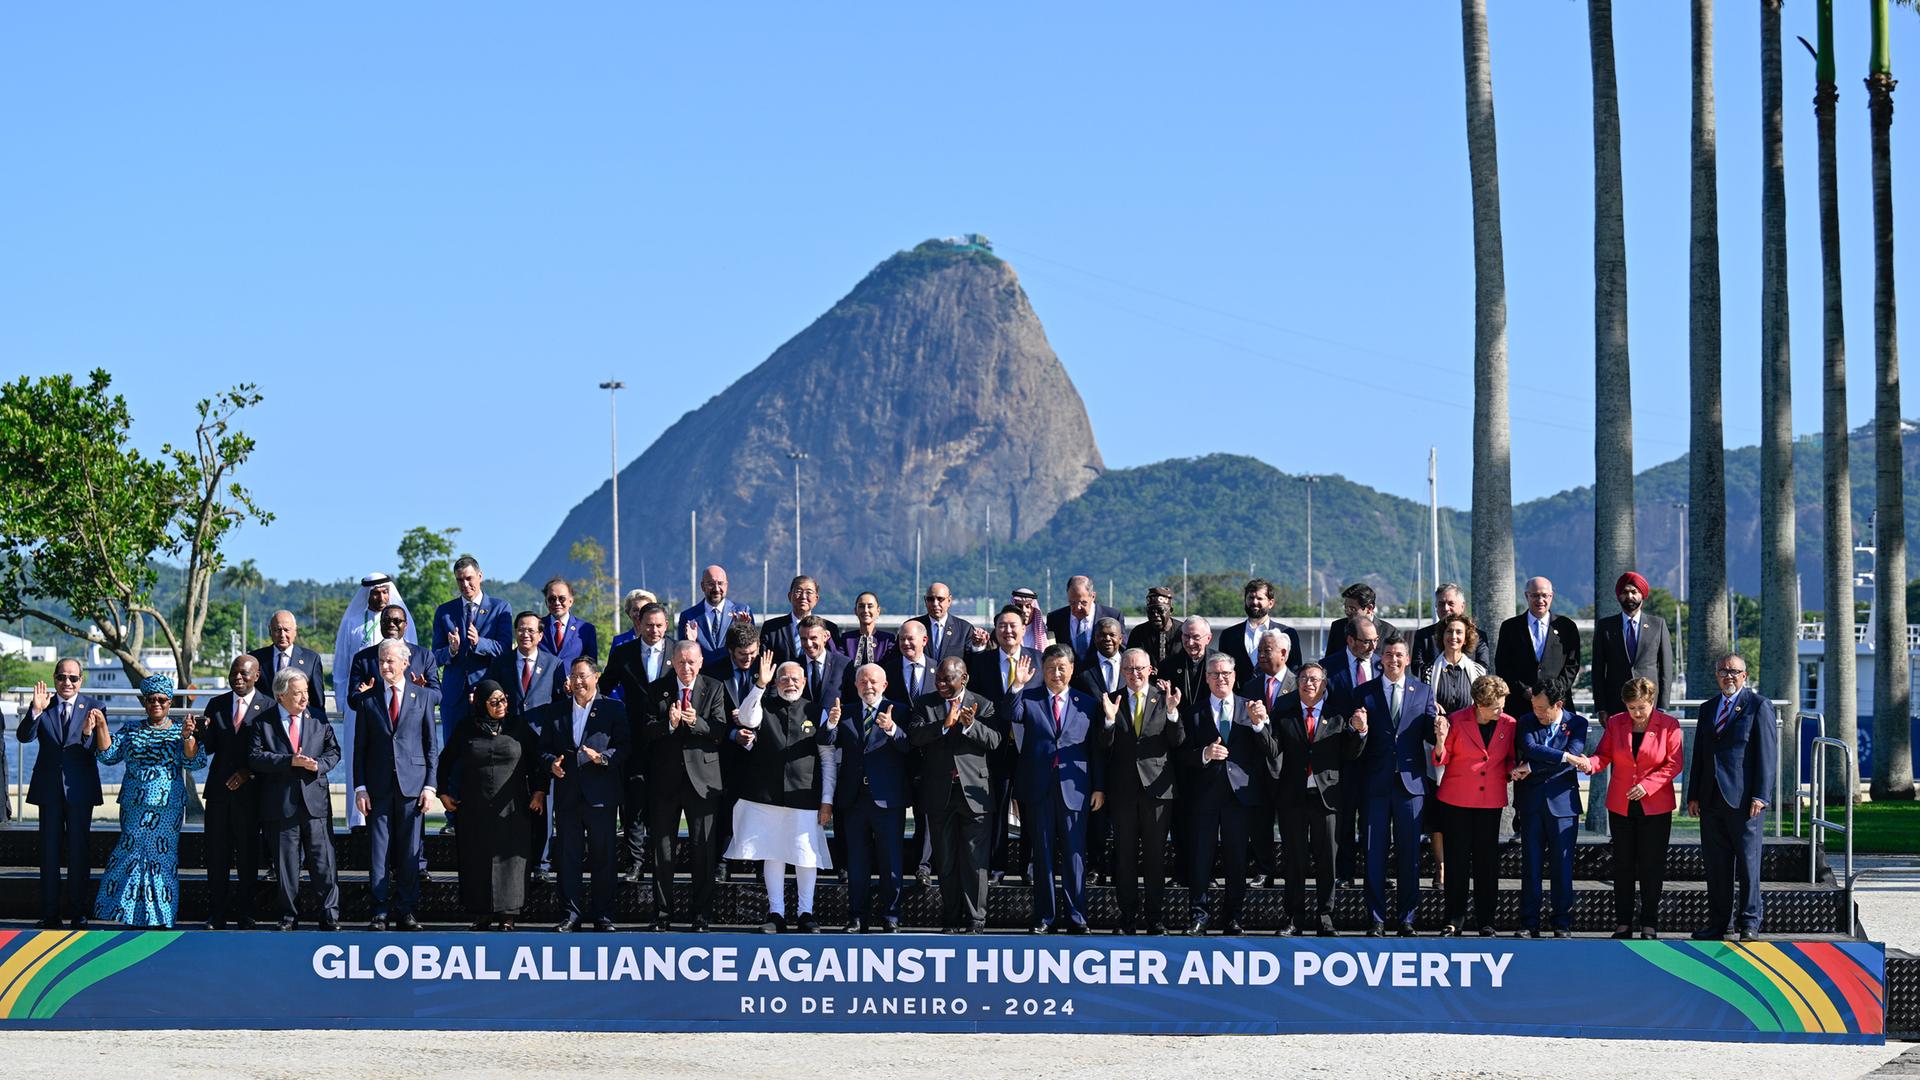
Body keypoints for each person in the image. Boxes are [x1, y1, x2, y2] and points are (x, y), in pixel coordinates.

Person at [729, 655, 839, 933]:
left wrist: (827, 800)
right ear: (776, 682)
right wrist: (760, 685)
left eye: (795, 679)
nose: (790, 683)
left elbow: (827, 760)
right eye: (784, 678)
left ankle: (806, 912)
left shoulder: (817, 712)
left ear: (804, 682)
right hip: (767, 796)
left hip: (805, 797)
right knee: (773, 853)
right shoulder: (762, 705)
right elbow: (745, 718)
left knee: (805, 855)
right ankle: (776, 912)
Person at [90, 674, 207, 929]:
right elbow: (108, 755)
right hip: (134, 805)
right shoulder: (131, 729)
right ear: (144, 702)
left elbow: (194, 762)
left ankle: (160, 917)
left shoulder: (180, 729)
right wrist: (101, 726)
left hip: (167, 806)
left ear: (169, 703)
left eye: (162, 700)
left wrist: (188, 738)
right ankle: (128, 915)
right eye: (151, 699)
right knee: (129, 854)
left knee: (161, 859)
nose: (156, 703)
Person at [1180, 653, 1278, 935]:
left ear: (1235, 676)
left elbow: (1270, 750)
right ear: (1207, 678)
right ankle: (1199, 916)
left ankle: (1232, 916)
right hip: (1204, 797)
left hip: (1240, 797)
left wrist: (1260, 724)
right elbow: (1181, 755)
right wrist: (1204, 754)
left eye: (1226, 674)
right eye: (1215, 674)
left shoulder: (1251, 708)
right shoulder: (1194, 712)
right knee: (1201, 859)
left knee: (1237, 860)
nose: (1221, 678)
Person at [1008, 644, 1103, 933]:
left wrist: (1098, 787)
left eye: (1062, 668)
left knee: (1075, 855)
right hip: (1039, 789)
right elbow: (1009, 713)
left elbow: (1096, 750)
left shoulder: (1087, 703)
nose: (1056, 673)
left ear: (1072, 670)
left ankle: (1077, 917)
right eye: (1050, 668)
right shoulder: (1030, 698)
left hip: (1075, 790)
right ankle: (1045, 918)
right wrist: (1017, 685)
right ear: (1043, 671)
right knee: (1043, 854)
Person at [437, 679, 543, 930]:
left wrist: (539, 792)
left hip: (512, 809)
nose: (500, 706)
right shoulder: (466, 728)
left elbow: (538, 761)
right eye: (493, 702)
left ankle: (508, 914)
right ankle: (481, 913)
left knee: (511, 863)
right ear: (482, 704)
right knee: (476, 858)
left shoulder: (518, 726)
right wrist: (442, 793)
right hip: (474, 808)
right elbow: (445, 761)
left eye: (503, 700)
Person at [1583, 676, 1684, 938]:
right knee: (1623, 865)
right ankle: (1623, 922)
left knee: (1651, 865)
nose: (1636, 713)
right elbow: (1604, 755)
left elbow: (1674, 764)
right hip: (1621, 804)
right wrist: (1589, 764)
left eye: (1641, 707)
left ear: (1651, 702)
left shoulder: (1669, 725)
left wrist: (1648, 785)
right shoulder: (1616, 723)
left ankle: (1649, 922)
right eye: (1631, 708)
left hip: (1655, 806)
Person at [639, 640, 729, 931]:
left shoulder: (714, 687)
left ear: (700, 662)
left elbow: (719, 731)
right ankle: (662, 914)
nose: (686, 668)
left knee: (703, 850)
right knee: (662, 852)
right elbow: (645, 731)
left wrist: (695, 723)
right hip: (665, 782)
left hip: (703, 782)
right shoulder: (657, 688)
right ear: (672, 663)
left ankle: (701, 914)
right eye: (681, 662)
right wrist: (668, 724)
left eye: (692, 662)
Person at [908, 657, 1002, 933]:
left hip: (975, 794)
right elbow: (914, 737)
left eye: (948, 679)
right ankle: (951, 917)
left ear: (964, 678)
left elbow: (995, 740)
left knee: (975, 862)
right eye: (938, 679)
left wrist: (971, 726)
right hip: (940, 793)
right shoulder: (925, 704)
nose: (941, 684)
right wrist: (944, 725)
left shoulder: (983, 703)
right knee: (946, 860)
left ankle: (976, 919)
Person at [1688, 653, 1777, 942]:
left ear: (1745, 676)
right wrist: (1693, 795)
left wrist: (1761, 796)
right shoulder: (1707, 708)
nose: (1729, 676)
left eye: (1735, 671)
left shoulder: (1759, 706)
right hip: (1711, 799)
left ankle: (1749, 922)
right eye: (1724, 671)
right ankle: (1719, 923)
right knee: (1716, 865)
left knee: (1748, 865)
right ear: (1716, 675)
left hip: (1744, 801)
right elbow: (1700, 755)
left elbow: (1767, 755)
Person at [1270, 663, 1364, 936]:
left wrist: (1359, 732)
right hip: (1293, 797)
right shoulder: (1284, 714)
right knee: (1294, 860)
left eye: (1314, 679)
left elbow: (1350, 753)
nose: (1308, 683)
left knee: (1327, 862)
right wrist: (1260, 725)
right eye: (1303, 679)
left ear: (1324, 684)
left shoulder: (1337, 715)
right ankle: (1295, 918)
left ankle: (1325, 917)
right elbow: (1273, 748)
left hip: (1328, 799)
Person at [354, 639, 441, 931]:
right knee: (379, 851)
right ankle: (379, 910)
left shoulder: (424, 697)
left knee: (409, 851)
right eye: (381, 661)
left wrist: (430, 787)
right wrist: (359, 788)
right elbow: (360, 749)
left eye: (391, 661)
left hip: (412, 787)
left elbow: (431, 746)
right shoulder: (367, 700)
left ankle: (406, 909)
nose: (385, 666)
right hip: (378, 788)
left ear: (405, 663)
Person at [540, 655, 630, 932]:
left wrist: (602, 759)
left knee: (603, 856)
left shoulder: (613, 709)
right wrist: (550, 763)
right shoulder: (555, 711)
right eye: (573, 677)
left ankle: (603, 914)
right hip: (567, 795)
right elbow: (542, 749)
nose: (578, 682)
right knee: (568, 856)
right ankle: (572, 914)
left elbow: (625, 747)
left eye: (583, 676)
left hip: (601, 795)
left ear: (596, 677)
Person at [1354, 638, 1437, 936]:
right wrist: (1359, 729)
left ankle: (1407, 918)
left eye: (1399, 655)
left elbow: (1429, 734)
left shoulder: (1423, 691)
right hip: (1375, 783)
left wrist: (1440, 730)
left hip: (1410, 785)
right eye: (1388, 654)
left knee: (1409, 855)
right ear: (1381, 658)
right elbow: (1355, 744)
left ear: (1407, 659)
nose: (1393, 660)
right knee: (1374, 852)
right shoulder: (1364, 693)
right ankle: (1375, 918)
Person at [1099, 648, 1184, 934]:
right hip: (1123, 791)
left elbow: (1177, 742)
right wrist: (1109, 722)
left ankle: (1155, 918)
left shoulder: (1165, 699)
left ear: (1151, 670)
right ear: (1122, 671)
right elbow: (1101, 747)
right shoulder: (1111, 700)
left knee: (1155, 857)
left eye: (1140, 669)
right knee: (1124, 857)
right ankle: (1127, 918)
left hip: (1157, 791)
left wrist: (1172, 714)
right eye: (1129, 669)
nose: (1135, 674)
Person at [249, 668, 341, 931]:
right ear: (280, 696)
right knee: (286, 864)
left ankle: (330, 915)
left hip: (315, 801)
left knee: (323, 861)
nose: (304, 698)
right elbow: (255, 757)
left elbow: (334, 751)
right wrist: (289, 761)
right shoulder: (262, 722)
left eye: (306, 691)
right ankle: (289, 916)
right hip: (281, 803)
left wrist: (318, 765)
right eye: (298, 693)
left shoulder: (318, 719)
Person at [18, 658, 106, 928]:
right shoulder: (44, 705)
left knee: (79, 853)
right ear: (54, 678)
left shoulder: (94, 706)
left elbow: (99, 750)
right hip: (48, 790)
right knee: (49, 854)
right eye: (62, 677)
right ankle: (50, 913)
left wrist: (88, 733)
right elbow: (24, 737)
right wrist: (34, 710)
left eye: (73, 678)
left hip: (80, 790)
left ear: (81, 680)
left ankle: (78, 912)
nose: (67, 683)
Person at [1431, 675, 1518, 936]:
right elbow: (1440, 759)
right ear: (1480, 704)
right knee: (1456, 862)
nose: (1501, 710)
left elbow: (1511, 757)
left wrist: (1515, 770)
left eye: (1503, 704)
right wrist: (1439, 739)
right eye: (1496, 706)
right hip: (1456, 801)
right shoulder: (1457, 720)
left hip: (1490, 802)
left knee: (1486, 863)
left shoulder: (1509, 723)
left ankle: (1486, 921)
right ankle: (1453, 920)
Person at [830, 664, 911, 932]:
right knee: (857, 862)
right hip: (854, 800)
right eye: (863, 682)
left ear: (884, 685)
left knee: (891, 861)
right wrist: (831, 723)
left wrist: (892, 729)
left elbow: (909, 747)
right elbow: (826, 740)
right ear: (855, 685)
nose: (869, 686)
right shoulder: (845, 712)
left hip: (888, 799)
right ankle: (857, 916)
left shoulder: (899, 711)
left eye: (874, 682)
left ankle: (891, 916)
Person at [332, 573, 414, 828]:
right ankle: (358, 822)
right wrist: (346, 705)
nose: (381, 597)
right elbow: (341, 668)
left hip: (394, 707)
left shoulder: (401, 621)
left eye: (384, 592)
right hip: (360, 706)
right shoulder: (352, 623)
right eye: (375, 593)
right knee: (359, 759)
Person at [967, 606, 1040, 883]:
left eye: (1013, 626)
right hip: (994, 746)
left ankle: (1029, 867)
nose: (1008, 631)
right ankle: (997, 867)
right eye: (1002, 626)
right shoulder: (981, 663)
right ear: (995, 630)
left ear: (1024, 629)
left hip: (1029, 747)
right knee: (995, 810)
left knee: (1030, 809)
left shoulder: (1038, 660)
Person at [202, 655, 272, 929]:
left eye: (244, 674)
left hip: (251, 793)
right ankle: (217, 913)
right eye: (234, 673)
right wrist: (198, 733)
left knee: (247, 856)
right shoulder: (216, 704)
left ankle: (246, 912)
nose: (238, 678)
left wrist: (249, 772)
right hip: (219, 792)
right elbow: (208, 748)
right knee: (216, 855)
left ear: (256, 676)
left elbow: (272, 751)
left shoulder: (268, 706)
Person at [1514, 682, 1588, 937]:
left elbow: (1571, 757)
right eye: (1534, 707)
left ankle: (1562, 923)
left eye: (1542, 708)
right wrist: (1565, 756)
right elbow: (1531, 749)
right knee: (1531, 865)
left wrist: (1533, 768)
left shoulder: (1578, 724)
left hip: (1563, 805)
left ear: (1559, 705)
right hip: (1532, 803)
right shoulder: (1525, 721)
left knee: (1563, 865)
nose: (1537, 713)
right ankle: (1529, 922)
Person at [1418, 611, 1485, 888]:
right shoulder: (1427, 672)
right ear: (1441, 637)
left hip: (1467, 753)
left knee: (1463, 813)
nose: (1453, 637)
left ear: (1466, 637)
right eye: (1448, 632)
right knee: (1438, 813)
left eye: (1458, 632)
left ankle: (1461, 864)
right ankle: (1441, 867)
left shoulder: (1478, 672)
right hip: (1437, 749)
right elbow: (1418, 708)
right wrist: (1432, 709)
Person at [431, 556, 514, 748]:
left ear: (480, 576)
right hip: (454, 697)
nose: (465, 584)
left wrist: (479, 643)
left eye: (469, 578)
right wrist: (451, 650)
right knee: (453, 752)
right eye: (460, 580)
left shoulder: (500, 608)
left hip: (486, 693)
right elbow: (435, 656)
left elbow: (504, 649)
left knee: (486, 750)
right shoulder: (444, 612)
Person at [1238, 630, 1297, 888]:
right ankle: (1264, 869)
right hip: (1259, 767)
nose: (1260, 655)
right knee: (1259, 823)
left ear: (1283, 654)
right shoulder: (1251, 686)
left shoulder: (1299, 685)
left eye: (1266, 651)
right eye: (1259, 650)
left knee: (1290, 826)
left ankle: (1292, 871)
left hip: (1289, 768)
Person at [1493, 576, 1581, 719]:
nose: (1540, 600)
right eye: (1535, 595)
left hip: (1557, 706)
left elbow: (1572, 665)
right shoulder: (1510, 627)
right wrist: (1524, 690)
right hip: (1520, 706)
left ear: (1551, 596)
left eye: (1544, 595)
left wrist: (1552, 693)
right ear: (1526, 596)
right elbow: (1503, 665)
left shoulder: (1566, 627)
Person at [1590, 571, 1674, 720]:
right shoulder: (1605, 626)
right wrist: (1601, 708)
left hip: (1649, 703)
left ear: (1642, 594)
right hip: (1615, 705)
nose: (1629, 597)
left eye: (1634, 592)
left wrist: (1662, 706)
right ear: (1618, 596)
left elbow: (1666, 670)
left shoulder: (1658, 625)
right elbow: (1597, 670)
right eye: (1625, 592)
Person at [250, 610, 330, 728]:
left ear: (295, 631)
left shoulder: (311, 659)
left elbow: (317, 701)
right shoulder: (256, 658)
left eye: (287, 630)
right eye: (277, 630)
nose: (282, 635)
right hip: (264, 726)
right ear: (270, 631)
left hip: (299, 726)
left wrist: (320, 729)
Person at [1220, 578, 1303, 679]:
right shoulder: (1229, 635)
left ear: (1271, 603)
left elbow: (1295, 671)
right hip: (1239, 694)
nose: (1254, 602)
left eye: (1259, 598)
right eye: (1250, 598)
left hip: (1276, 694)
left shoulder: (1287, 634)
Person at [679, 564, 754, 665]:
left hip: (731, 676)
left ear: (726, 585)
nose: (716, 589)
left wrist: (741, 629)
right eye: (711, 584)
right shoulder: (688, 617)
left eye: (720, 583)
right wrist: (691, 642)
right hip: (703, 676)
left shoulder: (742, 612)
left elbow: (750, 647)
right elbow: (682, 653)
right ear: (702, 586)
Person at [1410, 583, 1492, 674]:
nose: (1446, 608)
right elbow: (1416, 667)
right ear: (1436, 607)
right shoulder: (1423, 636)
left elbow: (1483, 667)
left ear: (1462, 606)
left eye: (1451, 604)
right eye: (1441, 604)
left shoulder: (1478, 636)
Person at [760, 575, 840, 667]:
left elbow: (835, 661)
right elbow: (764, 661)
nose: (803, 596)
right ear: (790, 596)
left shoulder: (829, 628)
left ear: (816, 599)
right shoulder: (771, 628)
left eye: (809, 592)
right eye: (798, 591)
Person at [1046, 576, 1125, 663]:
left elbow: (1122, 648)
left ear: (1093, 596)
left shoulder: (1112, 616)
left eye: (1083, 602)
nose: (1078, 607)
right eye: (1072, 603)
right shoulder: (1055, 618)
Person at [1323, 584, 1398, 668]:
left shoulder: (1389, 632)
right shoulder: (1338, 627)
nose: (1348, 613)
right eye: (1346, 608)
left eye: (1352, 609)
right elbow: (1329, 662)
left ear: (1369, 608)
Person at [907, 581, 976, 663]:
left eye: (940, 599)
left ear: (949, 601)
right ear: (925, 601)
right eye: (930, 599)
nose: (935, 604)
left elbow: (973, 662)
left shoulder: (964, 629)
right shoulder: (912, 626)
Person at [541, 577, 598, 668]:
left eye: (562, 598)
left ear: (570, 601)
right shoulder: (537, 626)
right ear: (546, 602)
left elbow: (591, 665)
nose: (557, 603)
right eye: (552, 599)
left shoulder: (586, 629)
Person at [834, 591, 895, 666]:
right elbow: (838, 661)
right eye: (861, 606)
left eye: (870, 606)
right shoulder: (847, 639)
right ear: (855, 611)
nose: (865, 610)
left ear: (878, 611)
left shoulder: (887, 640)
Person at [1071, 618, 1127, 699]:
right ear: (1095, 638)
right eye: (1102, 635)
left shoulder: (1132, 665)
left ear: (1120, 639)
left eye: (1112, 635)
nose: (1107, 639)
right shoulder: (1082, 669)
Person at [1126, 588, 1180, 667]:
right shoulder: (1138, 633)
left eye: (1160, 610)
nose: (1155, 615)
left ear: (1170, 611)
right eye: (1151, 611)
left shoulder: (1183, 631)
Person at [606, 588, 658, 655]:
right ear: (629, 613)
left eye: (643, 609)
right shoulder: (619, 642)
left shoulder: (662, 642)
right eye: (635, 610)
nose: (639, 614)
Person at [1008, 586, 1048, 652]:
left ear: (1034, 609)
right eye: (1019, 606)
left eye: (1028, 606)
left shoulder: (1045, 633)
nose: (1023, 610)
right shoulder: (1005, 632)